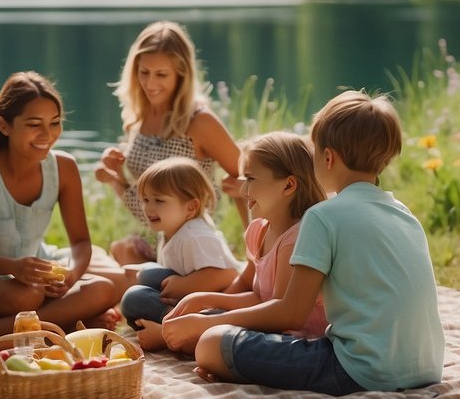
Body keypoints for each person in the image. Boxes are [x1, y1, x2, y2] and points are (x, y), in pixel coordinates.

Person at [163, 90, 445, 396]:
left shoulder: (323, 216)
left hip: (359, 371)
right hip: (427, 368)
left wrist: (202, 325)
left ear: (327, 157)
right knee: (214, 339)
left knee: (211, 344)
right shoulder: (405, 214)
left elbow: (290, 314)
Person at [0, 71, 120, 335]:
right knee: (25, 297)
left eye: (54, 123)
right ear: (4, 126)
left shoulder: (65, 168)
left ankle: (5, 327)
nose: (47, 135)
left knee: (104, 289)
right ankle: (48, 321)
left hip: (35, 273)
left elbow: (81, 243)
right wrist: (14, 268)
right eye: (34, 124)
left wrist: (71, 275)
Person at [94, 20, 245, 283]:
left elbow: (250, 176)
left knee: (116, 277)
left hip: (192, 239)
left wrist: (254, 233)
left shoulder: (199, 122)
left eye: (161, 74)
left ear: (181, 75)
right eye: (144, 72)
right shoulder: (138, 118)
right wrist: (115, 176)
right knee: (121, 251)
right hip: (154, 233)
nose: (150, 84)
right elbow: (147, 199)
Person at [157, 131, 329, 351]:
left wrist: (207, 319)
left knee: (213, 340)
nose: (243, 189)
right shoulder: (258, 231)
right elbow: (255, 295)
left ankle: (171, 337)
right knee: (147, 300)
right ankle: (178, 333)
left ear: (288, 186)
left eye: (250, 179)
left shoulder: (296, 238)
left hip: (298, 340)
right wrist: (205, 300)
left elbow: (278, 317)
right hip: (266, 326)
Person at [118, 157, 241, 350]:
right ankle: (174, 322)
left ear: (190, 207)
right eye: (146, 200)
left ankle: (175, 326)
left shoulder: (195, 236)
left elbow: (227, 275)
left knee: (134, 300)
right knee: (145, 275)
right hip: (194, 301)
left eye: (159, 200)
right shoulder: (170, 231)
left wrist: (184, 284)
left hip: (219, 307)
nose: (149, 208)